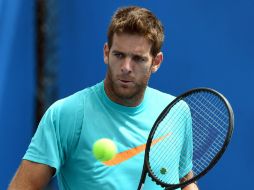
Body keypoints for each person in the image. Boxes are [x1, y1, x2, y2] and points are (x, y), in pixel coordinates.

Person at [9, 6, 198, 190]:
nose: (126, 67)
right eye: (119, 55)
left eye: (138, 59)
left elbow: (184, 180)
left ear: (156, 62)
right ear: (106, 53)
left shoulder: (176, 112)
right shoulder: (66, 114)